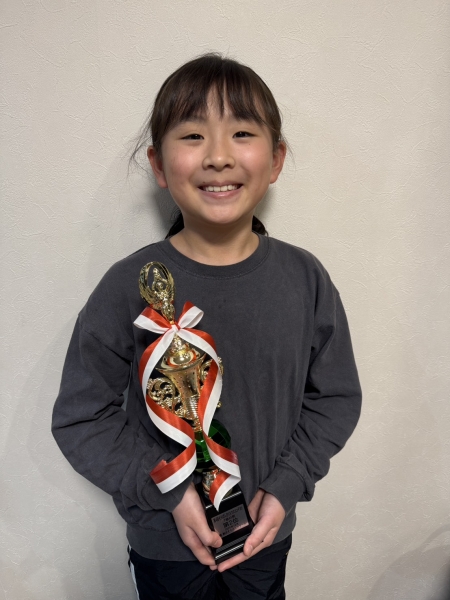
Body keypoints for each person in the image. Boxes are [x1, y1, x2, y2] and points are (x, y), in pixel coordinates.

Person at [52, 53, 362, 600]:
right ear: (158, 163)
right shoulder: (128, 286)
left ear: (276, 159)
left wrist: (288, 483)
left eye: (242, 132)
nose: (218, 156)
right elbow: (81, 417)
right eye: (193, 135)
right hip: (164, 546)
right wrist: (167, 489)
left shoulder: (305, 279)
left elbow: (335, 398)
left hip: (264, 540)